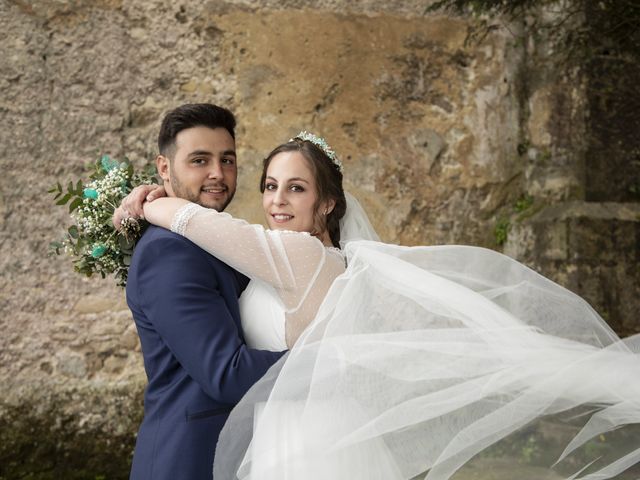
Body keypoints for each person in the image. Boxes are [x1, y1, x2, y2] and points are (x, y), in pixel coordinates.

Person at [119, 132, 640, 480]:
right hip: (306, 428)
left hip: (304, 439)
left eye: (296, 189)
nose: (277, 200)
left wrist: (156, 201)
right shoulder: (308, 257)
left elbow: (204, 226)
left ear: (325, 204)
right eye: (271, 186)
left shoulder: (299, 254)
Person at [123, 103, 285, 480]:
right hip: (189, 457)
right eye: (199, 160)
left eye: (227, 160)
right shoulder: (169, 252)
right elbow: (226, 373)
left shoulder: (211, 236)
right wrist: (328, 356)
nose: (218, 174)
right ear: (164, 168)